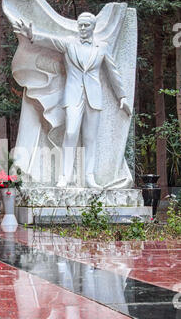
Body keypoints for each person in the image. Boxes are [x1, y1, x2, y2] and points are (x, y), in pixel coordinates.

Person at [14, 12, 131, 189]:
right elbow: (50, 40)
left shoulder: (102, 47)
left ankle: (89, 177)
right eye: (81, 25)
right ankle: (65, 176)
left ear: (93, 27)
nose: (82, 28)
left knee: (90, 138)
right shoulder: (69, 43)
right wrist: (32, 35)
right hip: (73, 95)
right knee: (70, 133)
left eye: (86, 25)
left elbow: (113, 73)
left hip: (94, 97)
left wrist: (121, 96)